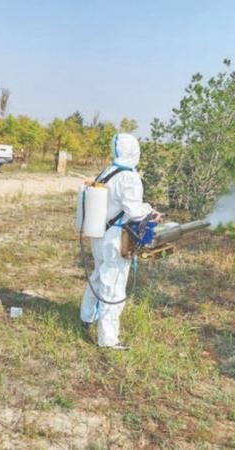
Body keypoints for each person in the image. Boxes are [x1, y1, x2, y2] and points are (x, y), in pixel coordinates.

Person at [79, 133, 160, 350]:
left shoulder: (108, 171)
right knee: (113, 287)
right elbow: (134, 212)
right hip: (116, 237)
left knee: (98, 276)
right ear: (134, 150)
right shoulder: (129, 177)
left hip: (99, 233)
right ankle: (108, 339)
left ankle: (86, 318)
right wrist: (150, 210)